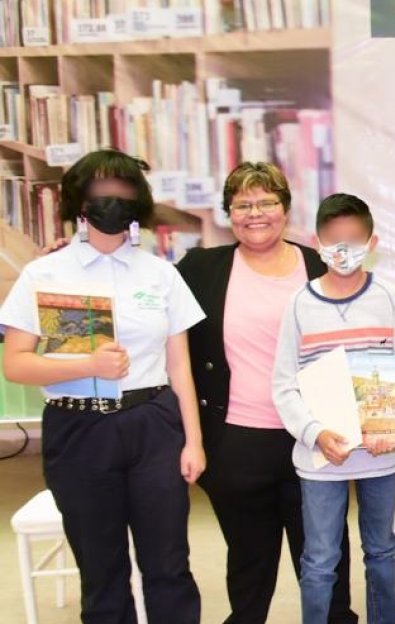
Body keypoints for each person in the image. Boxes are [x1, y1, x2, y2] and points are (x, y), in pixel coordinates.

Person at [0, 149, 205, 623]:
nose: (112, 200)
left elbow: (181, 368)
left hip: (153, 425)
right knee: (101, 568)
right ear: (79, 201)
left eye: (124, 190)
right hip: (78, 429)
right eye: (99, 191)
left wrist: (193, 441)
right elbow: (16, 364)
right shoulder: (45, 273)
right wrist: (85, 364)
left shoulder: (160, 274)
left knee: (169, 563)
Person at [178, 162, 356, 624]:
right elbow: (148, 303)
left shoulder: (320, 265)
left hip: (314, 439)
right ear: (227, 213)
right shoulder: (200, 269)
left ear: (286, 208)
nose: (255, 213)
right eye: (243, 204)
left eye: (267, 202)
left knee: (325, 558)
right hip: (237, 440)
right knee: (249, 565)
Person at [272, 193, 395, 624]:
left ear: (372, 243)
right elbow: (283, 384)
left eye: (353, 240)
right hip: (319, 458)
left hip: (379, 453)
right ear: (317, 243)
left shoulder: (387, 297)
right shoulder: (300, 303)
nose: (343, 251)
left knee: (382, 551)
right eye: (334, 241)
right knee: (318, 559)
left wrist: (391, 430)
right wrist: (314, 432)